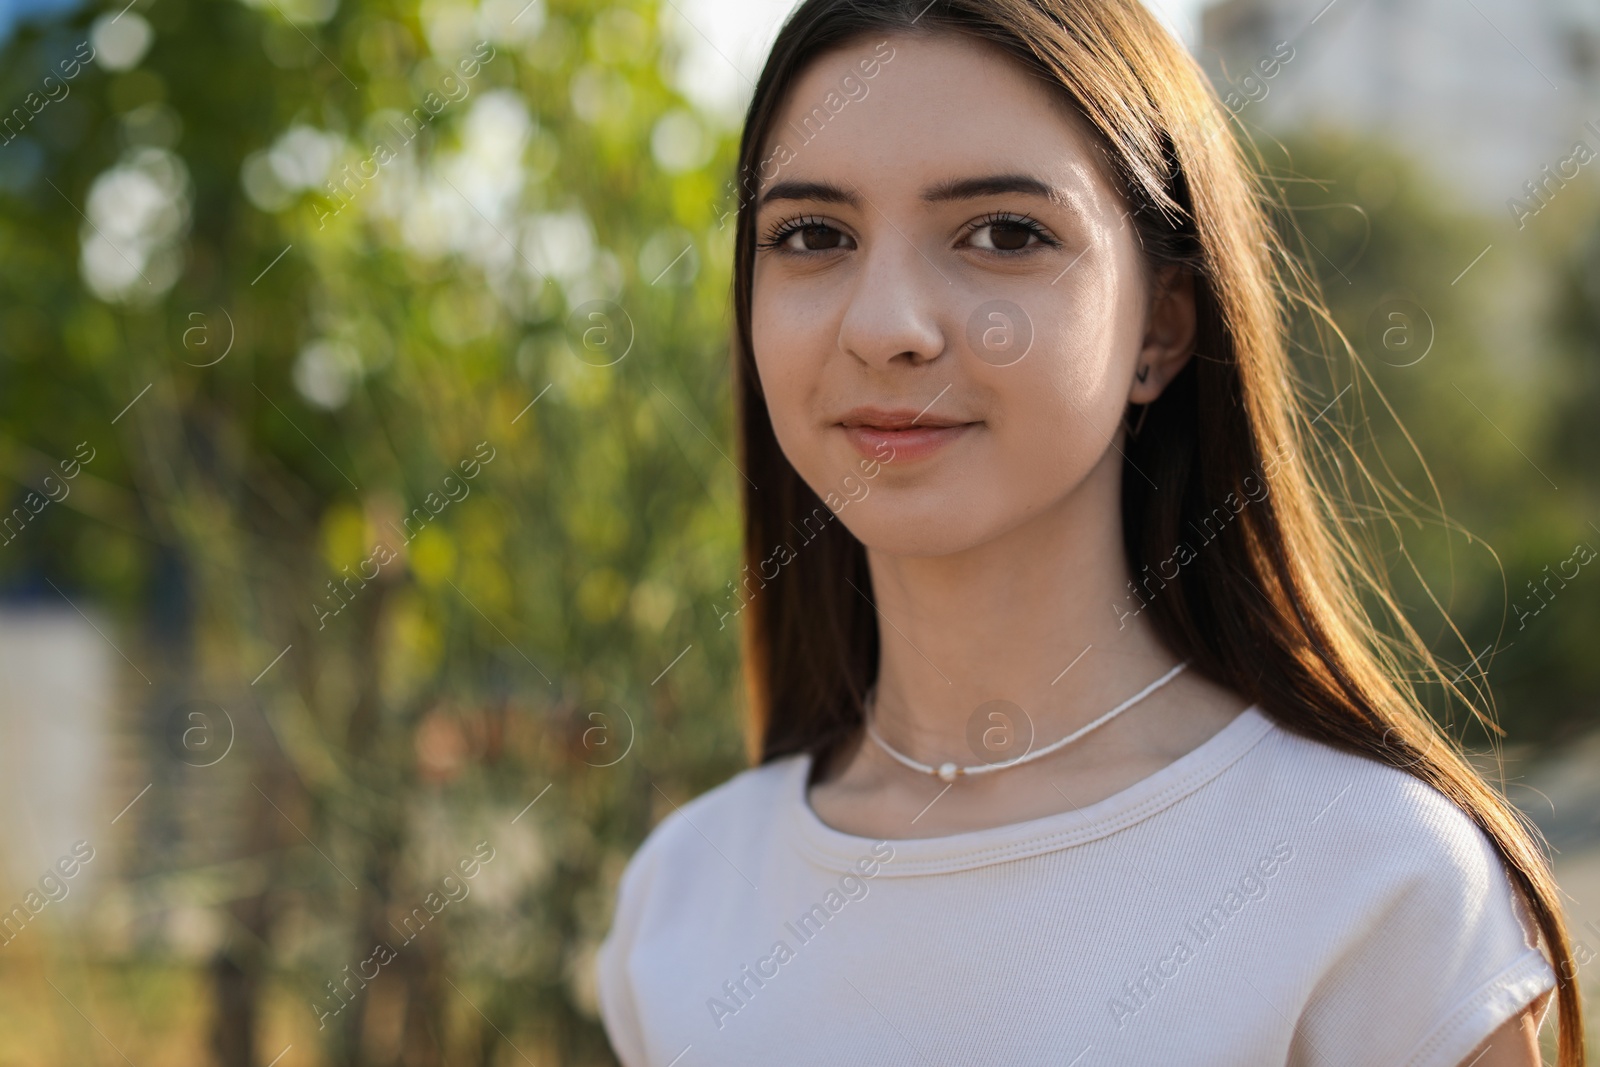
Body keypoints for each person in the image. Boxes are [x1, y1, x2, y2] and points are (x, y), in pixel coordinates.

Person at [596, 1, 1584, 1064]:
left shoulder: (1375, 885)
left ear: (1160, 326)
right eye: (812, 235)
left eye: (1003, 234)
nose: (885, 326)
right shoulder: (683, 901)